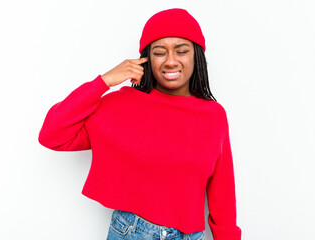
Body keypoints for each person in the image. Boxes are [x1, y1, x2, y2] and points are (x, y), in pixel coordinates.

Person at [38, 8, 242, 240]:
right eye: (159, 52)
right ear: (146, 58)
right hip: (132, 233)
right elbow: (52, 134)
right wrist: (103, 82)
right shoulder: (120, 105)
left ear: (196, 56)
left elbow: (222, 193)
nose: (171, 61)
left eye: (182, 51)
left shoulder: (213, 115)